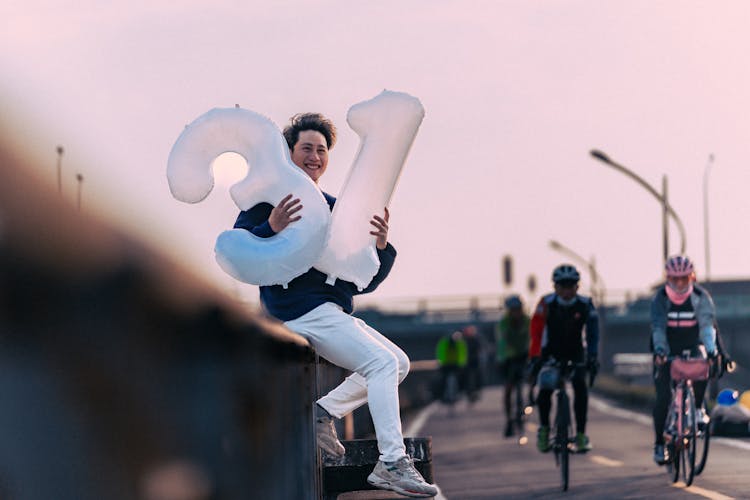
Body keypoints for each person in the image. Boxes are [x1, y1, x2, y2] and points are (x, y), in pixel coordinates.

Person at [233, 113, 437, 498]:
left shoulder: (335, 207)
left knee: (398, 363)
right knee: (379, 363)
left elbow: (362, 280)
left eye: (321, 150)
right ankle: (391, 462)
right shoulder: (268, 200)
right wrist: (270, 228)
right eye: (306, 148)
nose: (314, 156)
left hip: (331, 310)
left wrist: (379, 247)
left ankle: (321, 413)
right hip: (296, 310)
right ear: (289, 153)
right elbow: (240, 255)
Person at [651, 255, 718, 466]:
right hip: (667, 348)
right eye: (674, 279)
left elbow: (707, 326)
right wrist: (661, 351)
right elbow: (658, 328)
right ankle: (660, 444)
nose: (679, 284)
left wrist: (711, 350)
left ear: (692, 277)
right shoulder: (660, 299)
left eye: (684, 279)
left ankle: (697, 409)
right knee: (663, 397)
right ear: (667, 279)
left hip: (692, 344)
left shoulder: (701, 296)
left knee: (703, 365)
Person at [529, 264, 599, 453]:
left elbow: (593, 334)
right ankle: (544, 430)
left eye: (571, 285)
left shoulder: (585, 304)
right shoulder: (546, 303)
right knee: (545, 390)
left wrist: (592, 357)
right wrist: (535, 356)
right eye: (562, 286)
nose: (567, 290)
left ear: (577, 286)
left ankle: (581, 435)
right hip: (550, 351)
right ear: (555, 287)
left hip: (576, 351)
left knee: (580, 387)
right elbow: (536, 332)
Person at [495, 295, 530, 437]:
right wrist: (508, 356)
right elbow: (503, 341)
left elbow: (535, 336)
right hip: (507, 357)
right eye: (513, 310)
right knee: (509, 387)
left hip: (524, 354)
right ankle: (509, 420)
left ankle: (530, 401)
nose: (516, 312)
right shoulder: (503, 323)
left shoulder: (528, 320)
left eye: (518, 309)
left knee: (533, 376)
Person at [435, 330, 468, 404]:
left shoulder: (459, 343)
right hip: (447, 364)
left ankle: (455, 394)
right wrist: (441, 362)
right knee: (445, 380)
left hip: (454, 365)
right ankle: (446, 395)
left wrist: (462, 363)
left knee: (458, 379)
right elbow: (441, 352)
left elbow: (462, 353)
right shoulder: (446, 342)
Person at [461, 325, 486, 404]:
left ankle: (477, 391)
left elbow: (480, 349)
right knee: (467, 377)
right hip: (467, 362)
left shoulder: (475, 339)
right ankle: (469, 393)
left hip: (474, 361)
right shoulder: (464, 340)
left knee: (477, 375)